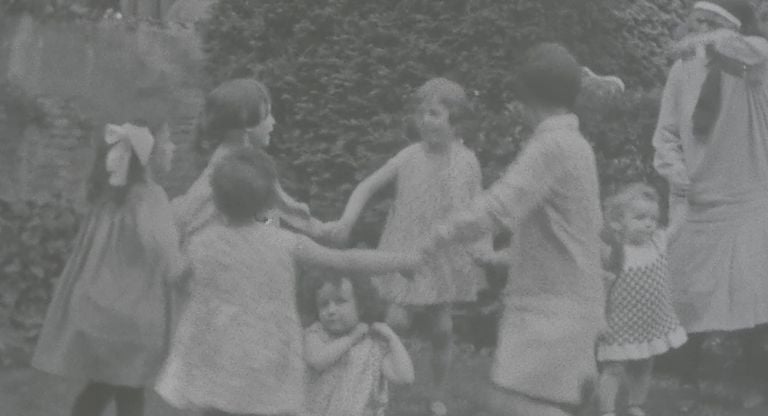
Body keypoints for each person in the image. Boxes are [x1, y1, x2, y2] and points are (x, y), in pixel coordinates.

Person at [155, 148, 420, 416]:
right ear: (269, 200)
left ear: (216, 201)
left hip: (216, 350)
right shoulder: (284, 242)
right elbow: (346, 261)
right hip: (265, 352)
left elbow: (176, 276)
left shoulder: (202, 242)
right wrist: (400, 261)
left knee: (215, 406)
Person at [423, 43, 605, 416]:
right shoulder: (574, 144)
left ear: (528, 96)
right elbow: (565, 231)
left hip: (553, 308)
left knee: (511, 404)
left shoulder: (552, 145)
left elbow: (499, 204)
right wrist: (500, 257)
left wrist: (438, 234)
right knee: (529, 402)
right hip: (565, 300)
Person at [323, 77, 489, 416]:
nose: (425, 120)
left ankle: (437, 395)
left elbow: (480, 210)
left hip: (442, 257)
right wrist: (347, 221)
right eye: (422, 113)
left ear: (454, 120)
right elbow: (367, 187)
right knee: (394, 322)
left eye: (434, 113)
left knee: (442, 328)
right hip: (401, 254)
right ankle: (373, 388)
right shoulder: (409, 156)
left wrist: (481, 248)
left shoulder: (467, 161)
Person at [653, 0, 768, 406]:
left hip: (748, 194)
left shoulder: (751, 69)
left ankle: (756, 380)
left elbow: (756, 47)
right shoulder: (682, 71)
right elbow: (666, 132)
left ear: (730, 29)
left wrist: (711, 39)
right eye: (694, 21)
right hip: (695, 195)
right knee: (689, 286)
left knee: (754, 288)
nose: (696, 29)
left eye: (709, 22)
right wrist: (675, 171)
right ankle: (684, 376)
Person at [31, 120, 185, 416]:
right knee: (128, 388)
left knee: (106, 387)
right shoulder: (150, 198)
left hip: (98, 306)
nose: (172, 148)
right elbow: (161, 246)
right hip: (134, 314)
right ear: (148, 153)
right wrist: (184, 272)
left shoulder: (108, 199)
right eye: (167, 142)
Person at [596, 183, 688, 416]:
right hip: (620, 323)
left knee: (645, 364)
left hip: (650, 322)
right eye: (640, 217)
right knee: (614, 367)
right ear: (618, 222)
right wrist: (600, 319)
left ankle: (635, 405)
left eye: (653, 218)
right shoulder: (614, 252)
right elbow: (603, 289)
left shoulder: (657, 242)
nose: (649, 223)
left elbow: (677, 225)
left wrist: (683, 196)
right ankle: (607, 411)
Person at [304, 274, 414, 416]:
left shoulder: (374, 344)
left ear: (361, 305)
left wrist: (392, 338)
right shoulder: (316, 333)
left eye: (340, 301)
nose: (331, 310)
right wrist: (351, 338)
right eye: (324, 304)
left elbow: (404, 378)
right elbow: (317, 360)